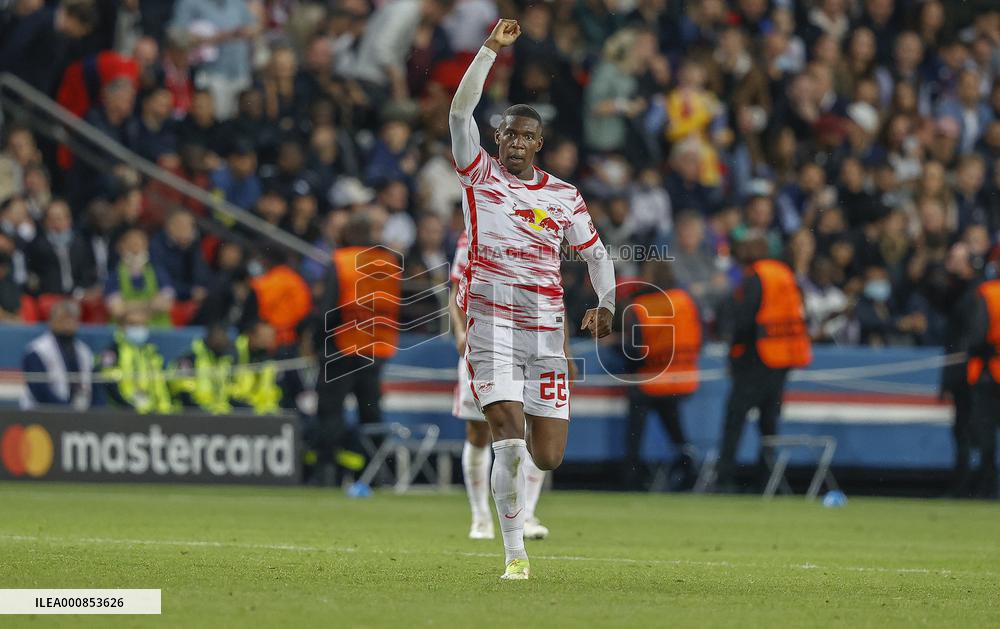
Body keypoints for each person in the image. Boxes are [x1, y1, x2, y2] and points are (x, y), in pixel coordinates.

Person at [449, 19, 616, 580]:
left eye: (526, 136)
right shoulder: (479, 176)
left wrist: (607, 302)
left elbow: (596, 256)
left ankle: (516, 527)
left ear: (539, 144)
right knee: (509, 440)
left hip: (545, 332)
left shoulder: (565, 197)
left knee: (548, 455)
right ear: (497, 139)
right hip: (491, 327)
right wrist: (490, 51)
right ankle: (514, 554)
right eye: (508, 134)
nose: (515, 142)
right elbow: (457, 112)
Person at [449, 230, 551, 541]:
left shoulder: (539, 230)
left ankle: (527, 514)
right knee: (479, 431)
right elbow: (455, 290)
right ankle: (481, 517)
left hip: (529, 341)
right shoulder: (473, 233)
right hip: (484, 344)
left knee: (534, 426)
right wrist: (459, 332)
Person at [715, 233, 812, 491]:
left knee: (735, 417)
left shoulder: (756, 276)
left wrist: (733, 354)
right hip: (782, 358)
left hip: (757, 356)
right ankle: (767, 480)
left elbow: (745, 321)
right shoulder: (783, 273)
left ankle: (724, 479)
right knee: (769, 422)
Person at [315, 213, 402, 486]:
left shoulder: (341, 261)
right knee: (371, 413)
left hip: (341, 347)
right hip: (376, 349)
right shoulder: (389, 263)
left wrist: (318, 342)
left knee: (330, 411)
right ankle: (377, 473)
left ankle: (327, 473)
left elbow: (328, 309)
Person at [621, 261, 701, 491]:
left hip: (650, 380)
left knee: (635, 433)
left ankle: (632, 477)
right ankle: (689, 470)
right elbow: (700, 337)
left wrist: (617, 345)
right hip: (681, 379)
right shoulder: (684, 300)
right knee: (676, 429)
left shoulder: (640, 306)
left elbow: (634, 352)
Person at [965, 262, 1000, 499]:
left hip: (989, 371)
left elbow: (977, 335)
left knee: (985, 432)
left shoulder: (987, 293)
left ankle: (988, 487)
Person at [98, 307, 175, 414]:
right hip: (123, 415)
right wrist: (129, 409)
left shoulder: (152, 353)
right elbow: (109, 386)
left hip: (153, 415)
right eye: (133, 324)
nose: (139, 328)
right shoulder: (112, 351)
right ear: (121, 326)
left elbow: (161, 386)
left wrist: (164, 410)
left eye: (142, 324)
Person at [21, 300, 93, 409]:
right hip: (41, 413)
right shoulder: (37, 351)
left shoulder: (84, 352)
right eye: (62, 319)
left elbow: (95, 387)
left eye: (72, 319)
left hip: (80, 415)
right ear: (51, 321)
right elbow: (40, 391)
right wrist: (67, 410)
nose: (67, 324)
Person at [105, 228, 174, 326]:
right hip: (123, 333)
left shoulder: (158, 273)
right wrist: (149, 304)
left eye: (139, 245)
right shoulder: (114, 276)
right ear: (121, 248)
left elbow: (165, 305)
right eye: (130, 246)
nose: (135, 250)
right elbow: (117, 310)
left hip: (158, 333)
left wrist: (129, 305)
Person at [249, 250, 312, 348]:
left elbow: (259, 307)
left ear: (266, 261)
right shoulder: (294, 278)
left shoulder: (270, 282)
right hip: (291, 336)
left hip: (275, 338)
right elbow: (304, 309)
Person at [170, 323, 235, 414]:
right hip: (191, 413)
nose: (225, 340)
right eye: (221, 336)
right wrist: (202, 411)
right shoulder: (189, 359)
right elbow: (183, 392)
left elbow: (229, 392)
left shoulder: (225, 361)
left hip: (219, 413)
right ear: (211, 337)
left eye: (226, 336)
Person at [230, 320, 282, 414]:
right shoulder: (233, 353)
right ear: (251, 335)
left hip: (262, 411)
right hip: (236, 408)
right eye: (263, 337)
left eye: (270, 337)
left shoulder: (272, 358)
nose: (268, 341)